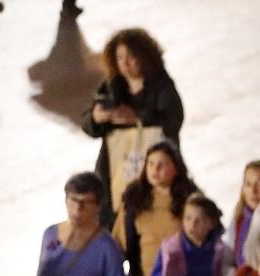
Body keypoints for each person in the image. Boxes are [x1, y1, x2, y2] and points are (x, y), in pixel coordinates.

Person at [79, 28, 184, 227]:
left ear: (145, 57)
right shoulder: (111, 86)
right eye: (119, 58)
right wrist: (96, 118)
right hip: (115, 172)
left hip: (154, 171)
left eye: (131, 57)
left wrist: (137, 117)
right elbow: (88, 125)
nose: (125, 64)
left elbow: (173, 122)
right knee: (112, 232)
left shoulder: (162, 86)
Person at [113, 139, 196, 276]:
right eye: (150, 164)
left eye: (162, 164)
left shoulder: (190, 199)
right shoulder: (134, 200)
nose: (154, 170)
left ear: (175, 168)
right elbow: (120, 242)